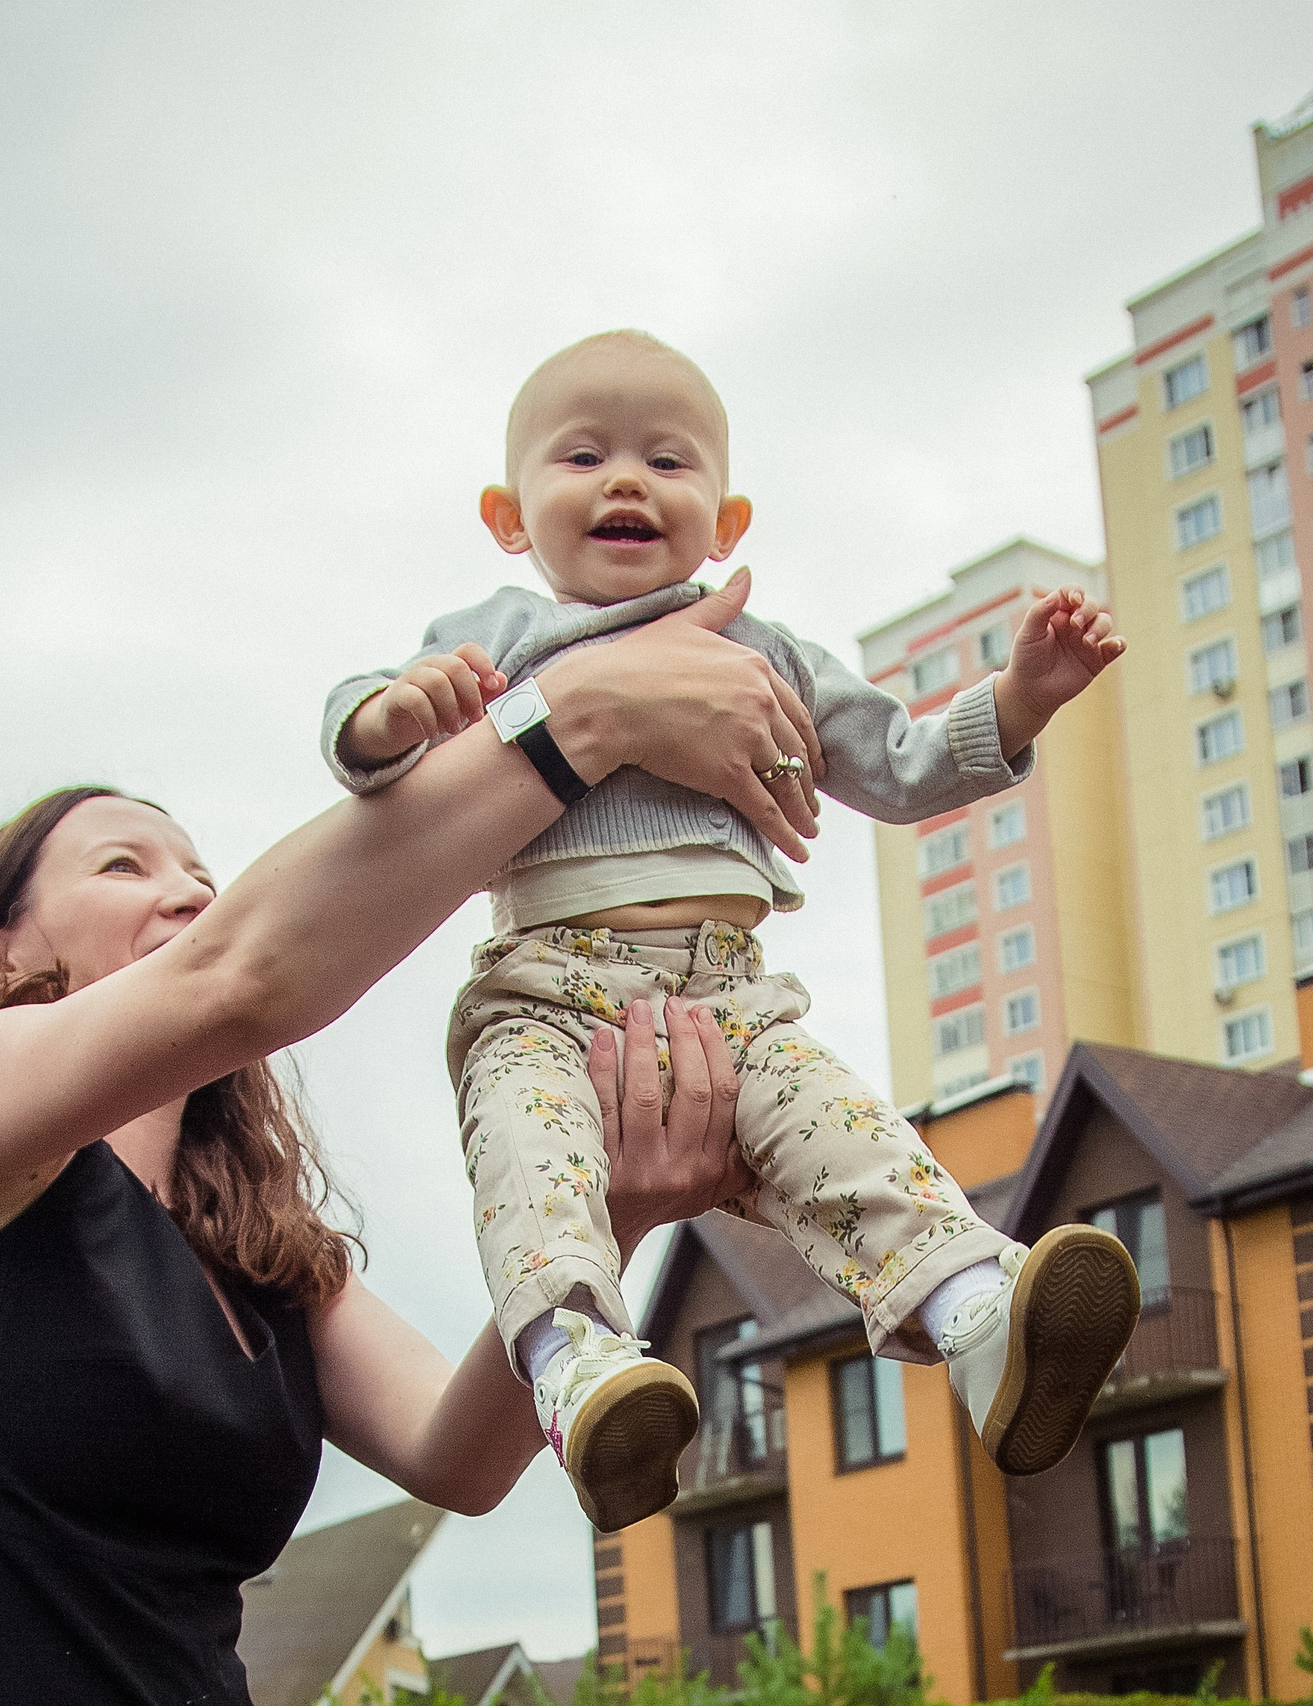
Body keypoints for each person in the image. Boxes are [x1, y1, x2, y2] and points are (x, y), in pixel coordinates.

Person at [0, 584, 827, 1706]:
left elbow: (454, 1456)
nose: (184, 887)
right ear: (0, 941)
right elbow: (247, 975)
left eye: (198, 871)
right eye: (122, 865)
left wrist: (615, 1209)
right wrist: (579, 714)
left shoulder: (261, 1252)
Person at [320, 329, 1142, 1534]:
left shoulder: (767, 654)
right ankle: (576, 1366)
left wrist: (1019, 700)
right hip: (545, 995)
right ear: (508, 515)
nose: (626, 481)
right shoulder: (493, 633)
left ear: (728, 516)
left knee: (852, 1141)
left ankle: (977, 1315)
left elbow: (902, 765)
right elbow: (361, 732)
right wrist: (392, 716)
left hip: (733, 1003)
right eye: (583, 455)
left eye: (667, 458)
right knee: (529, 1163)